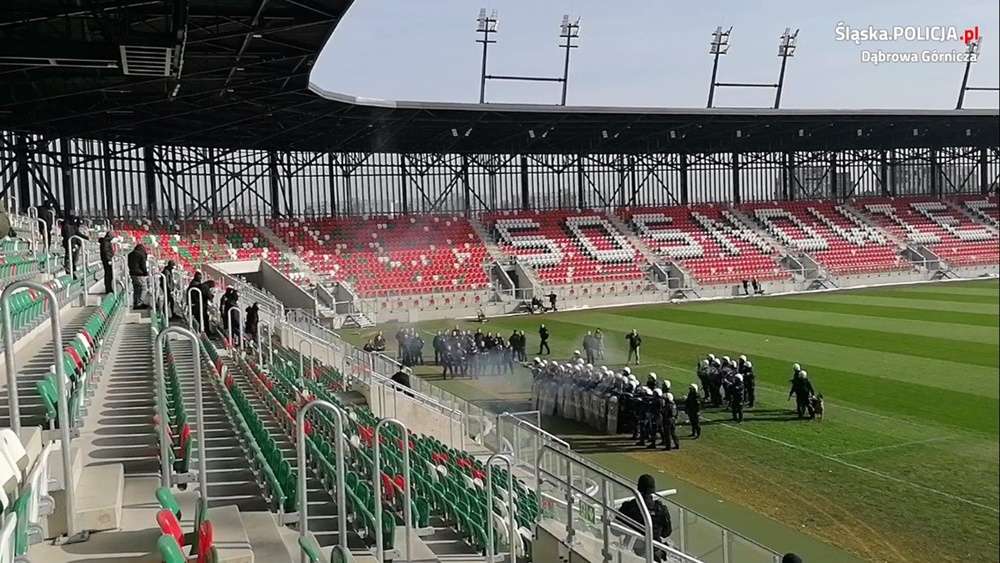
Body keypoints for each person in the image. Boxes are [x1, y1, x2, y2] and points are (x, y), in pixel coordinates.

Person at [619, 474, 673, 562]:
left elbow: (615, 531)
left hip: (631, 552)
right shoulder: (661, 509)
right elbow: (666, 533)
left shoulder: (629, 506)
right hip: (654, 553)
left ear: (638, 488)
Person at [127, 243, 149, 310]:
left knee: (136, 289)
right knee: (144, 288)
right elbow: (143, 265)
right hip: (139, 274)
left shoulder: (130, 254)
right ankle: (140, 303)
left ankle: (135, 303)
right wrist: (145, 273)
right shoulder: (141, 255)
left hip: (132, 274)